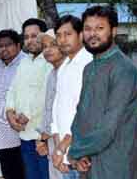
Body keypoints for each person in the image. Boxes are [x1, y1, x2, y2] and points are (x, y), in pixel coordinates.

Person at [67, 6, 137, 178]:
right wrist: (80, 152)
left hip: (116, 162)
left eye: (100, 28)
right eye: (88, 28)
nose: (92, 34)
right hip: (89, 161)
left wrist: (76, 151)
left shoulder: (123, 69)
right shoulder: (89, 68)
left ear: (113, 31)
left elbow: (109, 127)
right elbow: (81, 115)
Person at [5, 19, 52, 179]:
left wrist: (27, 115)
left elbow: (46, 93)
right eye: (26, 37)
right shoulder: (24, 61)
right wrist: (10, 112)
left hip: (42, 136)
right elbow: (13, 88)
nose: (30, 40)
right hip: (24, 134)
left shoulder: (50, 60)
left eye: (34, 36)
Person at [50, 15, 93, 178]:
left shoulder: (88, 65)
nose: (62, 40)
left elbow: (84, 114)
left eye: (68, 34)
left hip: (82, 153)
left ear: (81, 35)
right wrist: (58, 150)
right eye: (59, 35)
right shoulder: (63, 67)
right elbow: (56, 110)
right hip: (64, 156)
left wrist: (62, 148)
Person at [0, 29, 27, 179]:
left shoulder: (25, 64)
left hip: (17, 133)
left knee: (20, 172)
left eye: (8, 45)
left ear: (18, 45)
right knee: (8, 172)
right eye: (0, 46)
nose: (4, 49)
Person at [35, 31, 65, 179]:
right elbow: (48, 109)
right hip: (52, 140)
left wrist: (43, 137)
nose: (47, 50)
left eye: (52, 45)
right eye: (44, 46)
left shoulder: (69, 72)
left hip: (66, 142)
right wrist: (42, 138)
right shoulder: (52, 73)